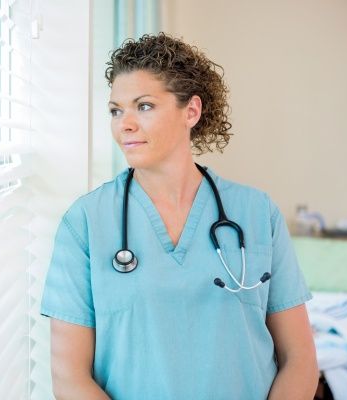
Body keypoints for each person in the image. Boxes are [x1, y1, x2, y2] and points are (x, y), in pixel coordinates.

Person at [40, 32, 318, 400]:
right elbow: (69, 377)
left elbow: (299, 358)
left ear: (192, 111)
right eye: (115, 110)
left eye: (144, 106)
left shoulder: (256, 212)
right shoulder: (86, 222)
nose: (124, 124)